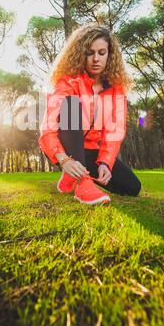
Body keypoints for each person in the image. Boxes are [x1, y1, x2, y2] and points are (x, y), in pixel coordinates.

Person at [38, 23, 141, 205]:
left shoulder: (116, 90)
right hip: (64, 148)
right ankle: (82, 184)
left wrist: (105, 164)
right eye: (89, 53)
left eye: (101, 53)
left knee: (132, 187)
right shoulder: (68, 82)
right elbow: (48, 127)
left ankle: (72, 177)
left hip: (91, 151)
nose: (95, 59)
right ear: (80, 54)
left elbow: (114, 133)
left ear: (110, 55)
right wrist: (64, 160)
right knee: (71, 105)